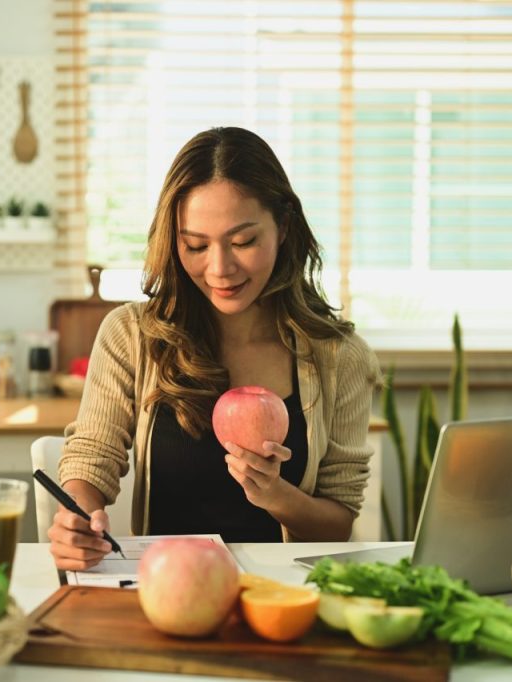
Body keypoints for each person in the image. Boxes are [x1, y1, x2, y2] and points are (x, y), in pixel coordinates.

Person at [49, 127, 381, 571]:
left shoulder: (340, 357)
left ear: (283, 227)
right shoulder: (131, 334)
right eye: (196, 245)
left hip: (280, 598)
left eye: (243, 242)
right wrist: (77, 515)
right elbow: (93, 456)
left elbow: (337, 524)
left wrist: (276, 495)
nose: (220, 269)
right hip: (166, 588)